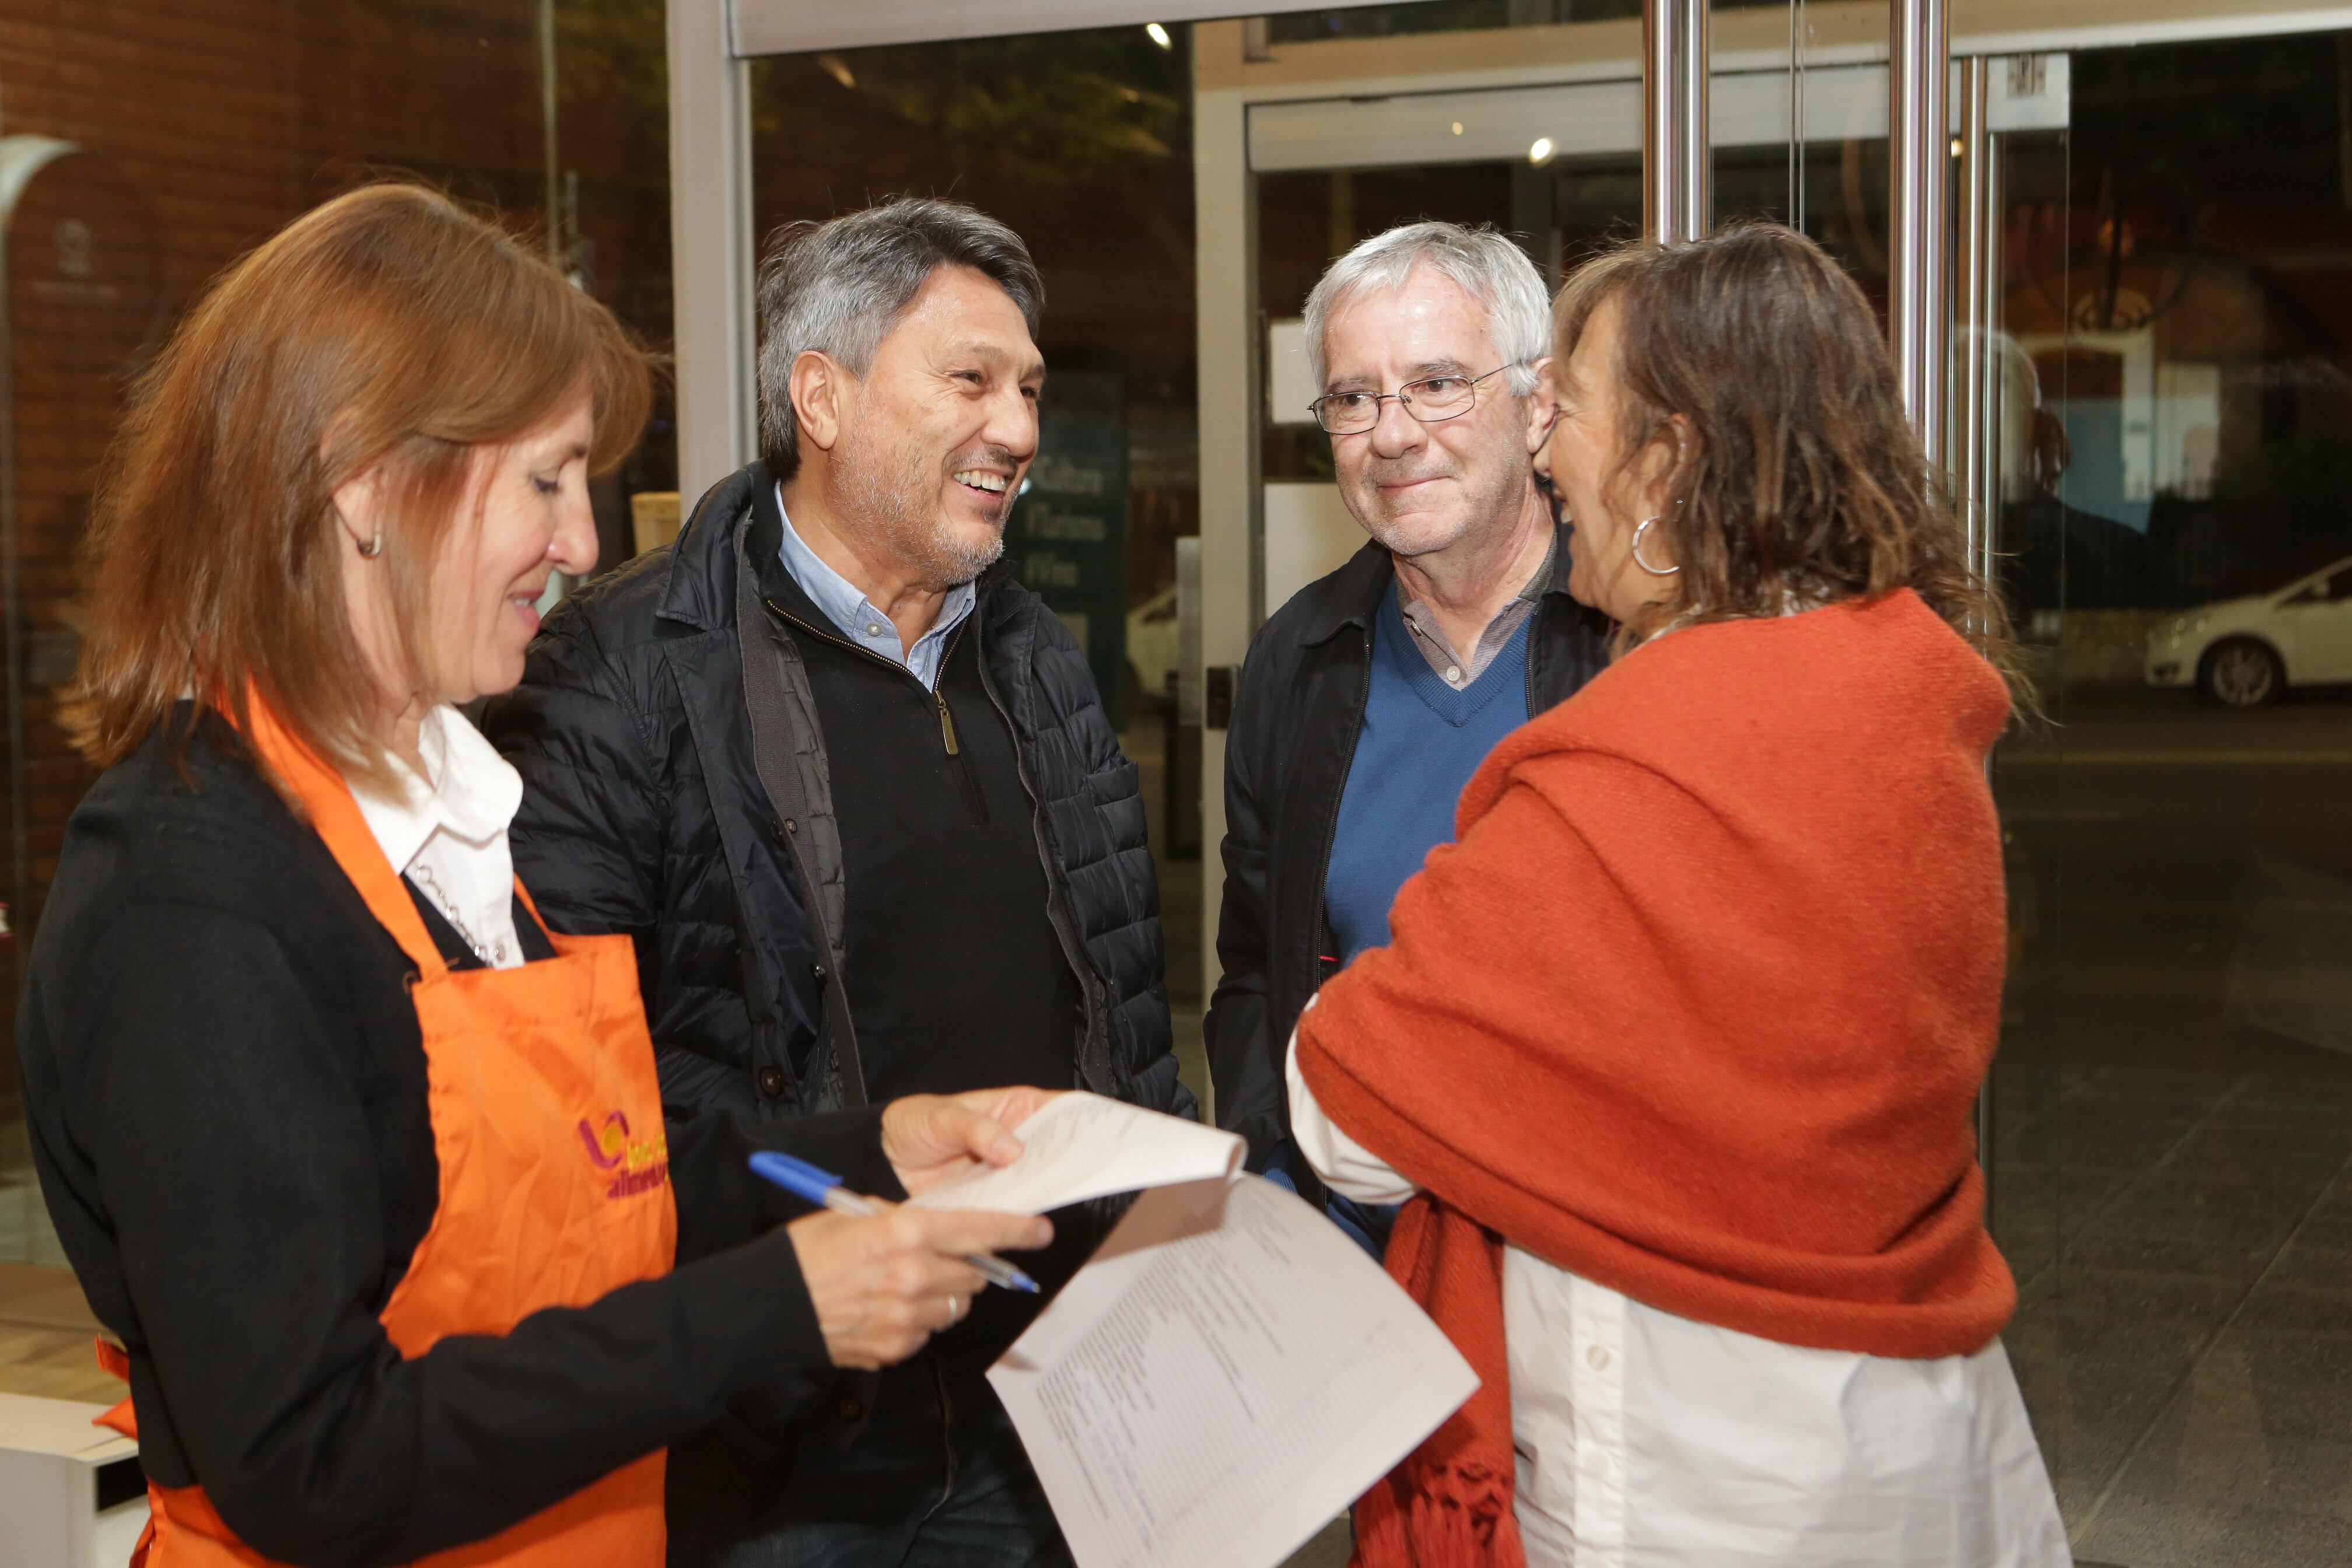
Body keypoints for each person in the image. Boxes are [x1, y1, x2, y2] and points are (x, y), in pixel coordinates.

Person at [16, 183, 1059, 1568]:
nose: (580, 544)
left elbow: (590, 1182)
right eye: (546, 480)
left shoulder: (439, 816)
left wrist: (869, 1152)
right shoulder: (195, 900)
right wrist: (778, 1307)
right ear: (366, 482)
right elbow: (309, 1460)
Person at [1287, 225, 2070, 1566]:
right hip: (1912, 1436)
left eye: (1568, 416)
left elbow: (1346, 1112)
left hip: (1693, 1466)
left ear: (1669, 454)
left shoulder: (1653, 745)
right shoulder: (1909, 692)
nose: (1544, 458)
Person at [482, 198, 1190, 1566]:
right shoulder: (621, 675)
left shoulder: (1035, 656)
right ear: (821, 395)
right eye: (972, 381)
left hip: (1050, 1404)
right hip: (791, 1441)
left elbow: (1119, 997)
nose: (1023, 431)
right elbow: (588, 1101)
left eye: (1031, 388)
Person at [1203, 222, 1609, 1255]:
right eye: (1354, 398)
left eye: (1437, 383)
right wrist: (1275, 1195)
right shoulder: (1298, 661)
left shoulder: (1636, 641)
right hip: (1357, 1262)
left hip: (1590, 1267)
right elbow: (1257, 971)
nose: (1391, 434)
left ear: (1537, 402)